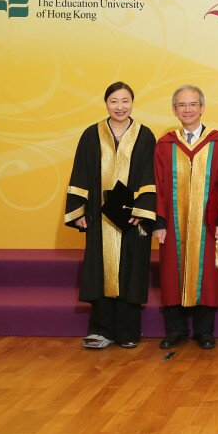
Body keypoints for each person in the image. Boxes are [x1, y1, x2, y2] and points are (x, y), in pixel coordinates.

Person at [64, 82, 156, 349]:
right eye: (114, 101)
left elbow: (151, 176)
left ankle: (128, 331)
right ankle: (101, 330)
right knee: (99, 270)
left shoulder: (145, 135)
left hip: (132, 218)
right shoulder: (91, 135)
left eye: (125, 101)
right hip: (99, 216)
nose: (120, 107)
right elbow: (79, 172)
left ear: (132, 103)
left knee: (131, 269)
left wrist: (141, 209)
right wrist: (78, 210)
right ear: (106, 103)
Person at [153, 85, 218, 350]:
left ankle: (204, 331)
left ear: (202, 108)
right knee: (172, 272)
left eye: (193, 104)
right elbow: (158, 186)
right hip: (173, 223)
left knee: (207, 274)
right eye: (182, 105)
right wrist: (159, 222)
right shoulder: (165, 144)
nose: (188, 110)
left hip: (207, 222)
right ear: (174, 110)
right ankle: (176, 331)